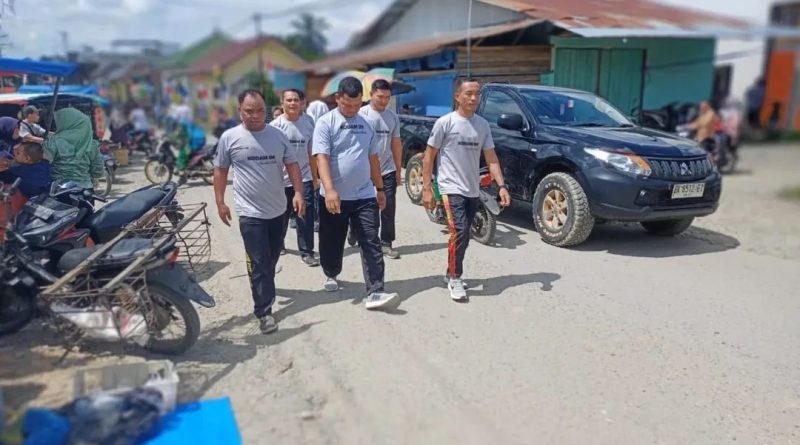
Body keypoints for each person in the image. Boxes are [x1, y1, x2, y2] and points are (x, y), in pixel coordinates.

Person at [214, 89, 306, 335]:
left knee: (271, 257)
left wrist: (298, 193)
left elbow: (292, 164)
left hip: (277, 209)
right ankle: (264, 311)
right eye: (249, 111)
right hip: (249, 212)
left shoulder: (278, 135)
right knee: (259, 261)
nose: (255, 116)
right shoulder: (230, 138)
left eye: (260, 111)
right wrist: (220, 202)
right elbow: (220, 170)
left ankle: (265, 285)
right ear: (239, 111)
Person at [312, 76, 400, 310]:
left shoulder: (367, 123)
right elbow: (322, 158)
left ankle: (375, 291)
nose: (352, 109)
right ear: (337, 98)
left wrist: (379, 188)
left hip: (364, 195)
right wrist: (329, 189)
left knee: (371, 240)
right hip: (335, 198)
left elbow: (373, 158)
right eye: (347, 104)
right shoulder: (326, 122)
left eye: (357, 104)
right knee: (332, 241)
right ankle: (331, 272)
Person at [421, 78, 511, 302]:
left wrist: (501, 186)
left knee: (464, 235)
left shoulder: (482, 125)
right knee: (459, 231)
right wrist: (427, 188)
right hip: (450, 187)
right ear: (457, 96)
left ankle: (450, 271)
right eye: (468, 93)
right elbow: (429, 156)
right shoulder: (445, 123)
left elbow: (491, 158)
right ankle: (455, 277)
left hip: (472, 189)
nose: (473, 98)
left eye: (477, 94)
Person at [352, 79, 403, 259]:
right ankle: (356, 230)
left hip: (386, 169)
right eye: (380, 97)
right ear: (371, 95)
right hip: (364, 170)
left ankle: (386, 242)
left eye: (387, 97)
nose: (384, 101)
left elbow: (396, 144)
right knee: (364, 206)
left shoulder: (392, 117)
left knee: (388, 206)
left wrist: (398, 169)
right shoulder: (360, 115)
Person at [270, 89, 320, 267]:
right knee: (280, 216)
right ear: (282, 103)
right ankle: (278, 244)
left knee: (305, 217)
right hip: (281, 181)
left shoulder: (309, 122)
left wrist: (315, 177)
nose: (293, 103)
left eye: (296, 100)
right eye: (289, 100)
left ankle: (307, 252)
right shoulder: (275, 126)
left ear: (301, 103)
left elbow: (312, 152)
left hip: (304, 178)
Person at [42, 108, 104, 190]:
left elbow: (43, 164)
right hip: (84, 189)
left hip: (59, 189)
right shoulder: (92, 144)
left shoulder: (54, 141)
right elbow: (98, 171)